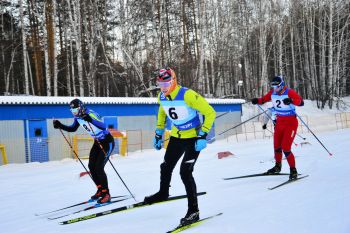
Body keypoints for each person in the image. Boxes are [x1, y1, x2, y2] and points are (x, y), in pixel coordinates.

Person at [143, 68, 216, 225]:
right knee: (166, 166)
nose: (163, 87)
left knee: (185, 172)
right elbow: (162, 113)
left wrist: (203, 134)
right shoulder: (161, 96)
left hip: (193, 138)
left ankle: (193, 211)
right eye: (160, 84)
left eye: (166, 83)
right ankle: (163, 193)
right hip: (176, 136)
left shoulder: (187, 94)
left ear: (173, 80)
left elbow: (210, 112)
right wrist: (158, 133)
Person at [53, 99, 115, 204]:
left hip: (107, 142)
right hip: (97, 142)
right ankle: (100, 190)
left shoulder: (90, 113)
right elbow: (73, 129)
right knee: (91, 166)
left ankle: (106, 194)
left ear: (81, 107)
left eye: (76, 110)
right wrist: (60, 125)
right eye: (72, 111)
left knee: (99, 168)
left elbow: (103, 126)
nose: (75, 113)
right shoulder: (78, 117)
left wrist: (90, 120)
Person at [252, 75, 304, 180]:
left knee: (286, 147)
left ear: (281, 85)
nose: (274, 89)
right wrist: (257, 100)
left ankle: (293, 170)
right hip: (280, 122)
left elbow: (301, 102)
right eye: (273, 86)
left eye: (276, 86)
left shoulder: (289, 92)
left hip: (290, 123)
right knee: (277, 146)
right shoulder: (272, 93)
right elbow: (263, 99)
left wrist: (291, 100)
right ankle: (277, 166)